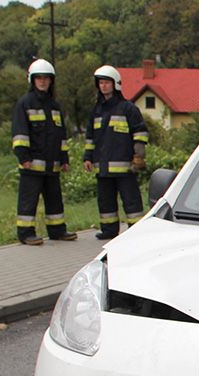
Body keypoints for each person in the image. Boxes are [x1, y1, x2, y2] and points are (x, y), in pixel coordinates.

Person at [11, 59, 78, 245]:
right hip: (31, 164)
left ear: (51, 81)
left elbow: (61, 136)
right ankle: (26, 233)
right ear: (32, 80)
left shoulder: (54, 106)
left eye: (46, 78)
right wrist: (23, 157)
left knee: (55, 201)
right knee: (28, 202)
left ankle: (57, 230)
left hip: (53, 165)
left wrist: (64, 159)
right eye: (39, 78)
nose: (42, 81)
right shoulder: (25, 104)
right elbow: (19, 133)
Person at [83, 65, 148, 239]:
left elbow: (140, 134)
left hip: (125, 167)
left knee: (131, 200)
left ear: (115, 84)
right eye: (101, 83)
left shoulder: (128, 109)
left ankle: (136, 231)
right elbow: (90, 137)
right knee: (105, 201)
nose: (103, 86)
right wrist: (87, 158)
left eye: (107, 83)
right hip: (103, 168)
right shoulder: (96, 111)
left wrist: (139, 156)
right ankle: (109, 230)